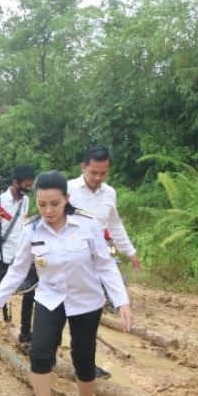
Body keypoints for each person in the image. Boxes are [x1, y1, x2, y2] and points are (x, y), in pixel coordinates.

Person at [0, 171, 133, 396]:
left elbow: (105, 265)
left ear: (67, 199)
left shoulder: (87, 225)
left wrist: (122, 301)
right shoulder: (31, 228)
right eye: (42, 204)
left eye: (55, 204)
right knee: (39, 355)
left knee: (83, 357)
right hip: (50, 298)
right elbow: (17, 270)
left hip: (86, 300)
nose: (48, 210)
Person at [66, 145, 140, 379]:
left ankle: (86, 365)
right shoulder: (67, 189)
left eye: (103, 173)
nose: (98, 178)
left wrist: (130, 251)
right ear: (83, 167)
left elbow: (115, 224)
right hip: (70, 263)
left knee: (90, 315)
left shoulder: (109, 193)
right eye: (93, 173)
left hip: (96, 262)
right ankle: (45, 352)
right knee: (62, 313)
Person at [0, 165, 35, 347]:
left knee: (30, 293)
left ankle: (25, 333)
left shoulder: (25, 200)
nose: (28, 189)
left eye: (30, 186)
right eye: (26, 185)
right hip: (2, 255)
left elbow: (24, 223)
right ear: (15, 183)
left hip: (21, 254)